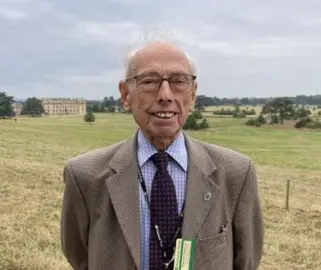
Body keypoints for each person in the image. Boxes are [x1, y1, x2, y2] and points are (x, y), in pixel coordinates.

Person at [60, 41, 264, 270]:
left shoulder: (236, 173)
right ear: (125, 95)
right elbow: (79, 256)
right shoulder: (84, 176)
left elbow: (245, 261)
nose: (165, 95)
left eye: (178, 81)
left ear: (193, 94)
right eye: (149, 81)